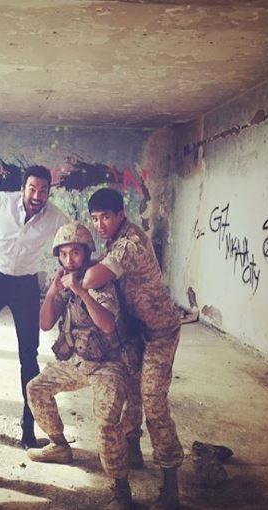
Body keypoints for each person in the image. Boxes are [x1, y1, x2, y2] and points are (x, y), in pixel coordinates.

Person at [83, 188, 184, 510]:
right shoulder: (115, 239)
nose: (100, 224)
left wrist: (77, 273)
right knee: (131, 392)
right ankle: (133, 448)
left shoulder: (130, 244)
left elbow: (92, 278)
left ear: (120, 215)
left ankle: (171, 486)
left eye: (106, 217)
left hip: (160, 332)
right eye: (95, 218)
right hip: (137, 330)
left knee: (153, 402)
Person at [26, 222, 133, 510]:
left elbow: (108, 325)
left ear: (86, 252)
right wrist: (52, 292)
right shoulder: (64, 280)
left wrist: (81, 291)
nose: (69, 260)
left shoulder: (99, 280)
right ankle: (59, 446)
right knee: (36, 388)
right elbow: (45, 324)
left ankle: (121, 488)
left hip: (109, 364)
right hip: (78, 360)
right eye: (63, 254)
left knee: (106, 421)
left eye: (75, 252)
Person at [0, 165, 68, 449]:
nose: (37, 195)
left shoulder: (55, 217)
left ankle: (28, 432)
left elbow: (74, 237)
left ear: (49, 193)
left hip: (26, 287)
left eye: (43, 190)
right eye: (32, 188)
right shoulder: (1, 201)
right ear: (22, 188)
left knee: (29, 357)